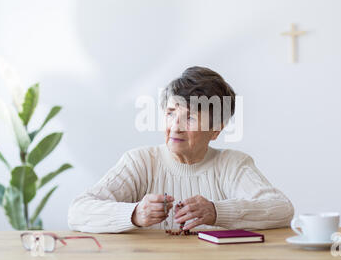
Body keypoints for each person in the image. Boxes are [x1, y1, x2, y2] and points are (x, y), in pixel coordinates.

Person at [68, 66, 294, 233]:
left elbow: (282, 209)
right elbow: (78, 211)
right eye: (170, 113)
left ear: (216, 130)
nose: (175, 126)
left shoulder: (233, 164)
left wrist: (216, 212)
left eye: (191, 117)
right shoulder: (141, 161)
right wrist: (135, 213)